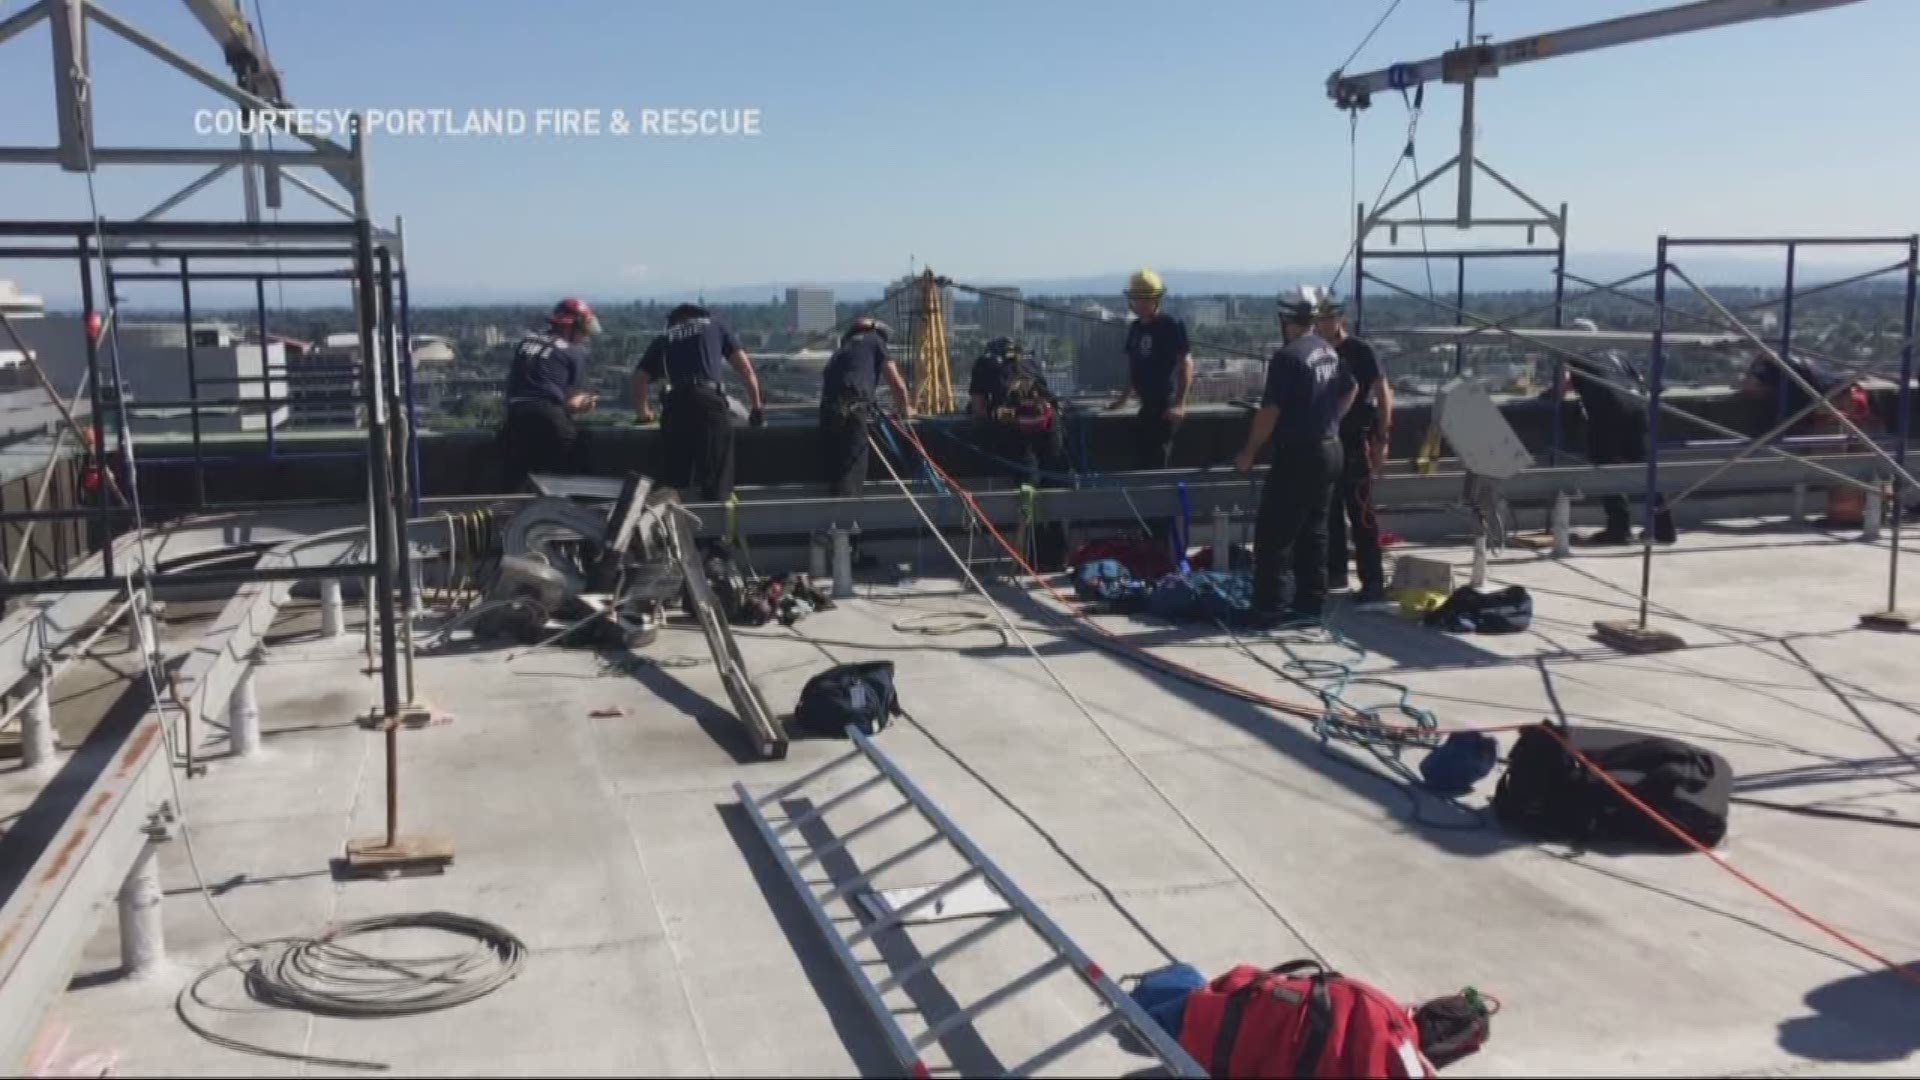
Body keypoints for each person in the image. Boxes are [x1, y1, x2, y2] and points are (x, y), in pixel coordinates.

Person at [1234, 291, 1356, 623]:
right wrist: (1329, 419)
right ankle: (1310, 604)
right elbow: (1351, 388)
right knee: (1314, 531)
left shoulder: (1287, 358)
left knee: (1274, 533)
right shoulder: (1327, 350)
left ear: (1284, 320)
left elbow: (1270, 412)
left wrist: (1248, 452)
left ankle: (1267, 607)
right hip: (1330, 449)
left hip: (1300, 454)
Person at [632, 303, 764, 502]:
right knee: (716, 481)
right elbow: (746, 370)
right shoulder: (715, 325)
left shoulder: (665, 338)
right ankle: (714, 527)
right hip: (709, 403)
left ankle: (675, 528)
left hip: (675, 406)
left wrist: (644, 415)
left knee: (675, 484)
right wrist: (756, 409)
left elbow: (638, 379)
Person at [1313, 295, 1390, 600]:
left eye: (1329, 319)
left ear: (1340, 319)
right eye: (1319, 320)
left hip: (1355, 441)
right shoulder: (1316, 352)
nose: (1323, 325)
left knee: (1360, 511)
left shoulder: (1359, 351)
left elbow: (1383, 392)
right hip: (1327, 442)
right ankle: (1335, 572)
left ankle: (1372, 580)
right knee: (1328, 511)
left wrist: (1383, 438)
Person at [968, 337, 1070, 565]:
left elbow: (979, 410)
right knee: (1053, 485)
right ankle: (1058, 555)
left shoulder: (983, 364)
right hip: (1049, 427)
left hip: (1016, 430)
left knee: (1028, 491)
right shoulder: (1030, 361)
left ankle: (1033, 557)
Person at [1563, 346, 1675, 545]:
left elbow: (1563, 385)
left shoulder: (1577, 354)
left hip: (1608, 410)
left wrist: (1549, 393)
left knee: (1606, 464)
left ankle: (1619, 528)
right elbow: (1642, 382)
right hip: (1636, 409)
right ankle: (1663, 527)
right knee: (1643, 469)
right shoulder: (1617, 353)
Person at [498, 297, 601, 491]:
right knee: (573, 473)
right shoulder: (573, 352)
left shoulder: (525, 343)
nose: (585, 336)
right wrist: (587, 403)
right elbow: (571, 403)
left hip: (516, 417)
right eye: (584, 331)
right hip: (549, 417)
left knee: (517, 481)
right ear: (573, 327)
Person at [1107, 268, 1193, 470]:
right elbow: (1134, 366)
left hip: (1165, 406)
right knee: (1141, 461)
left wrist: (1180, 404)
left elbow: (1186, 363)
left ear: (1157, 299)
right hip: (1146, 407)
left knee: (1156, 463)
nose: (1141, 304)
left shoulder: (1170, 324)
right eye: (1137, 299)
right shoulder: (1136, 328)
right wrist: (1123, 398)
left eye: (1146, 299)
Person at [819, 316, 913, 496]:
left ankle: (833, 513)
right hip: (852, 408)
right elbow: (897, 384)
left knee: (834, 468)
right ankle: (849, 516)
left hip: (828, 410)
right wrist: (905, 409)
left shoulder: (842, 350)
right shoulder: (875, 341)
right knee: (853, 468)